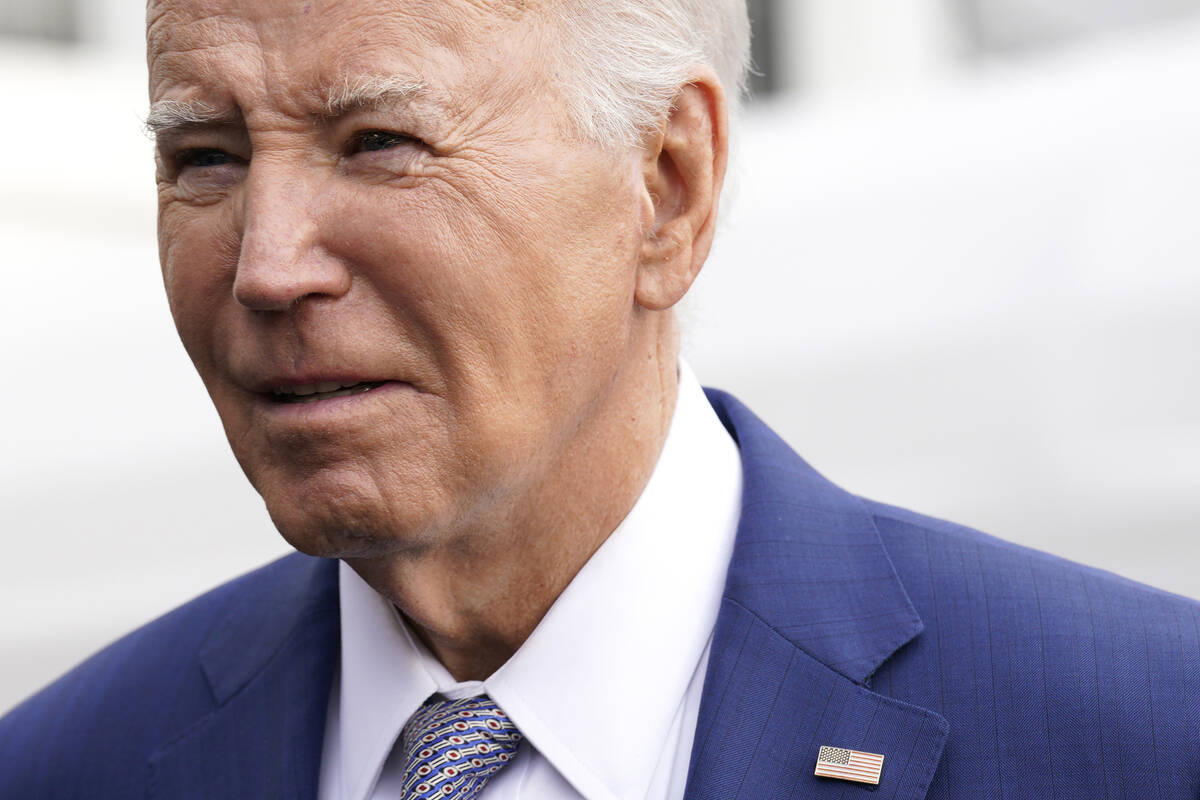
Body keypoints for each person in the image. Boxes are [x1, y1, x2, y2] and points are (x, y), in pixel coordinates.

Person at [1, 0, 1197, 797]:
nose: (267, 265)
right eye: (204, 157)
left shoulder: (1137, 735)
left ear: (668, 188)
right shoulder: (70, 765)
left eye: (378, 141)